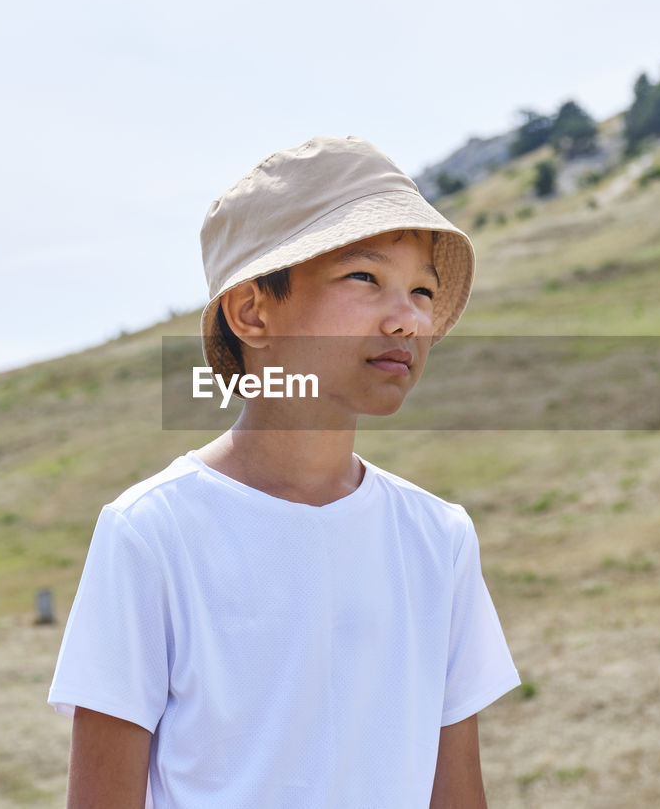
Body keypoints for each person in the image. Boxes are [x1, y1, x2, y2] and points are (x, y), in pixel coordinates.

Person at [47, 135, 521, 807]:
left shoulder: (438, 538)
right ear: (253, 311)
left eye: (422, 290)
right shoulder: (152, 533)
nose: (408, 318)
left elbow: (456, 793)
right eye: (366, 277)